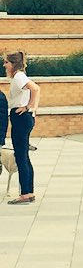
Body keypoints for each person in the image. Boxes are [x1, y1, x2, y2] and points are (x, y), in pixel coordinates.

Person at [3, 51, 40, 204]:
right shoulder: (20, 76)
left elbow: (35, 89)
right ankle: (28, 191)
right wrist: (32, 110)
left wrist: (29, 107)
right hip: (23, 117)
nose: (4, 65)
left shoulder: (18, 77)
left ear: (13, 64)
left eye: (6, 62)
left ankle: (25, 193)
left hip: (20, 117)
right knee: (23, 155)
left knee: (21, 156)